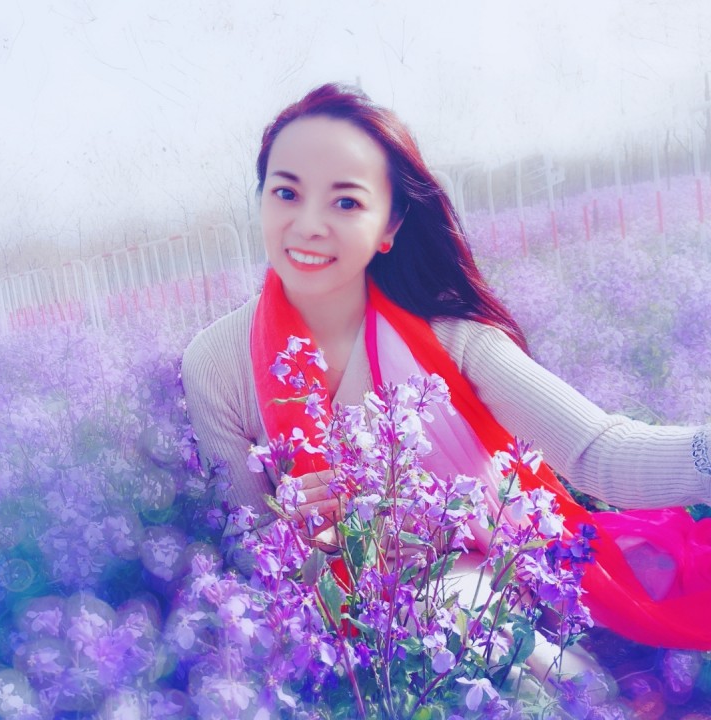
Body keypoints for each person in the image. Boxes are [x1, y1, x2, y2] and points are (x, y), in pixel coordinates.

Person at [182, 82, 711, 650]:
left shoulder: (445, 335)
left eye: (346, 202)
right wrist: (314, 536)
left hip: (489, 584)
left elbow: (598, 452)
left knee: (469, 616)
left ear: (390, 226)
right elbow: (249, 553)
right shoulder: (215, 363)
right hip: (334, 641)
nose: (309, 224)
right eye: (287, 193)